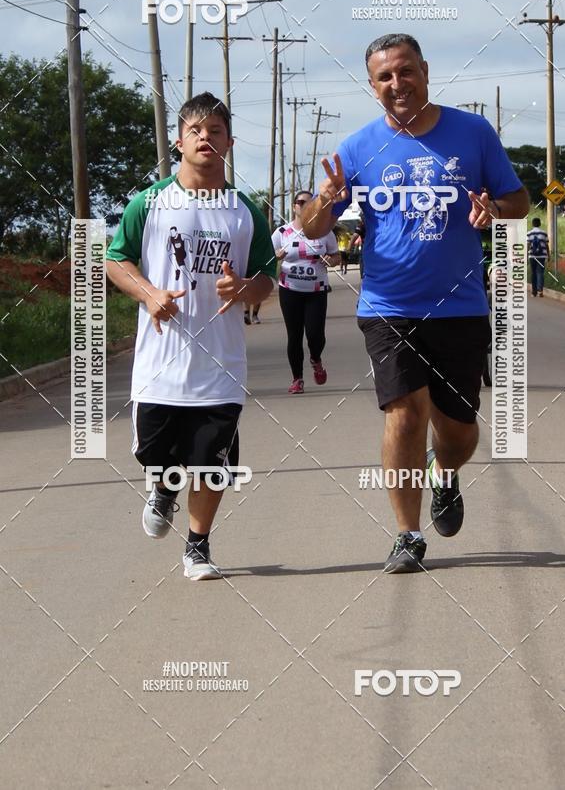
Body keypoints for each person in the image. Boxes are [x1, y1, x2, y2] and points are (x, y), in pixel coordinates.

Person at [301, 33, 529, 573]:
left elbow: (519, 200)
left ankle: (443, 472)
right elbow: (310, 228)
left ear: (425, 71)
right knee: (404, 416)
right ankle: (407, 533)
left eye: (405, 71)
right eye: (385, 76)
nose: (397, 83)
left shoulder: (473, 133)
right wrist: (325, 201)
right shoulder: (358, 148)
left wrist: (495, 210)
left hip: (460, 308)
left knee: (459, 431)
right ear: (372, 85)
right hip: (388, 306)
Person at [106, 92, 276, 580]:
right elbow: (116, 260)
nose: (206, 138)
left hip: (221, 366)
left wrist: (244, 289)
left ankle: (198, 546)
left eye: (215, 131)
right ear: (178, 142)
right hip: (160, 364)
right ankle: (163, 487)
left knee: (211, 461)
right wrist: (149, 293)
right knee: (155, 454)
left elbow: (266, 278)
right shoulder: (149, 202)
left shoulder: (245, 211)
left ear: (229, 142)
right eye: (195, 131)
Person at [272, 191, 340, 394]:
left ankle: (316, 359)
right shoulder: (282, 232)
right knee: (294, 336)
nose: (304, 206)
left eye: (309, 202)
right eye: (300, 202)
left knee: (315, 335)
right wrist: (276, 256)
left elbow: (336, 257)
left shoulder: (324, 232)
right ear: (294, 206)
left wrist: (330, 260)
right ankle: (297, 379)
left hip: (316, 291)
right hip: (289, 290)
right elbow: (267, 258)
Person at [527, 217, 549, 297]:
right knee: (540, 273)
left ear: (532, 224)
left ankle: (534, 292)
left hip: (532, 256)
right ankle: (540, 291)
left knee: (533, 273)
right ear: (539, 224)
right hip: (542, 256)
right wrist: (548, 255)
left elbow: (528, 245)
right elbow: (546, 245)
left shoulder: (529, 233)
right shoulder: (544, 233)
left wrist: (526, 255)